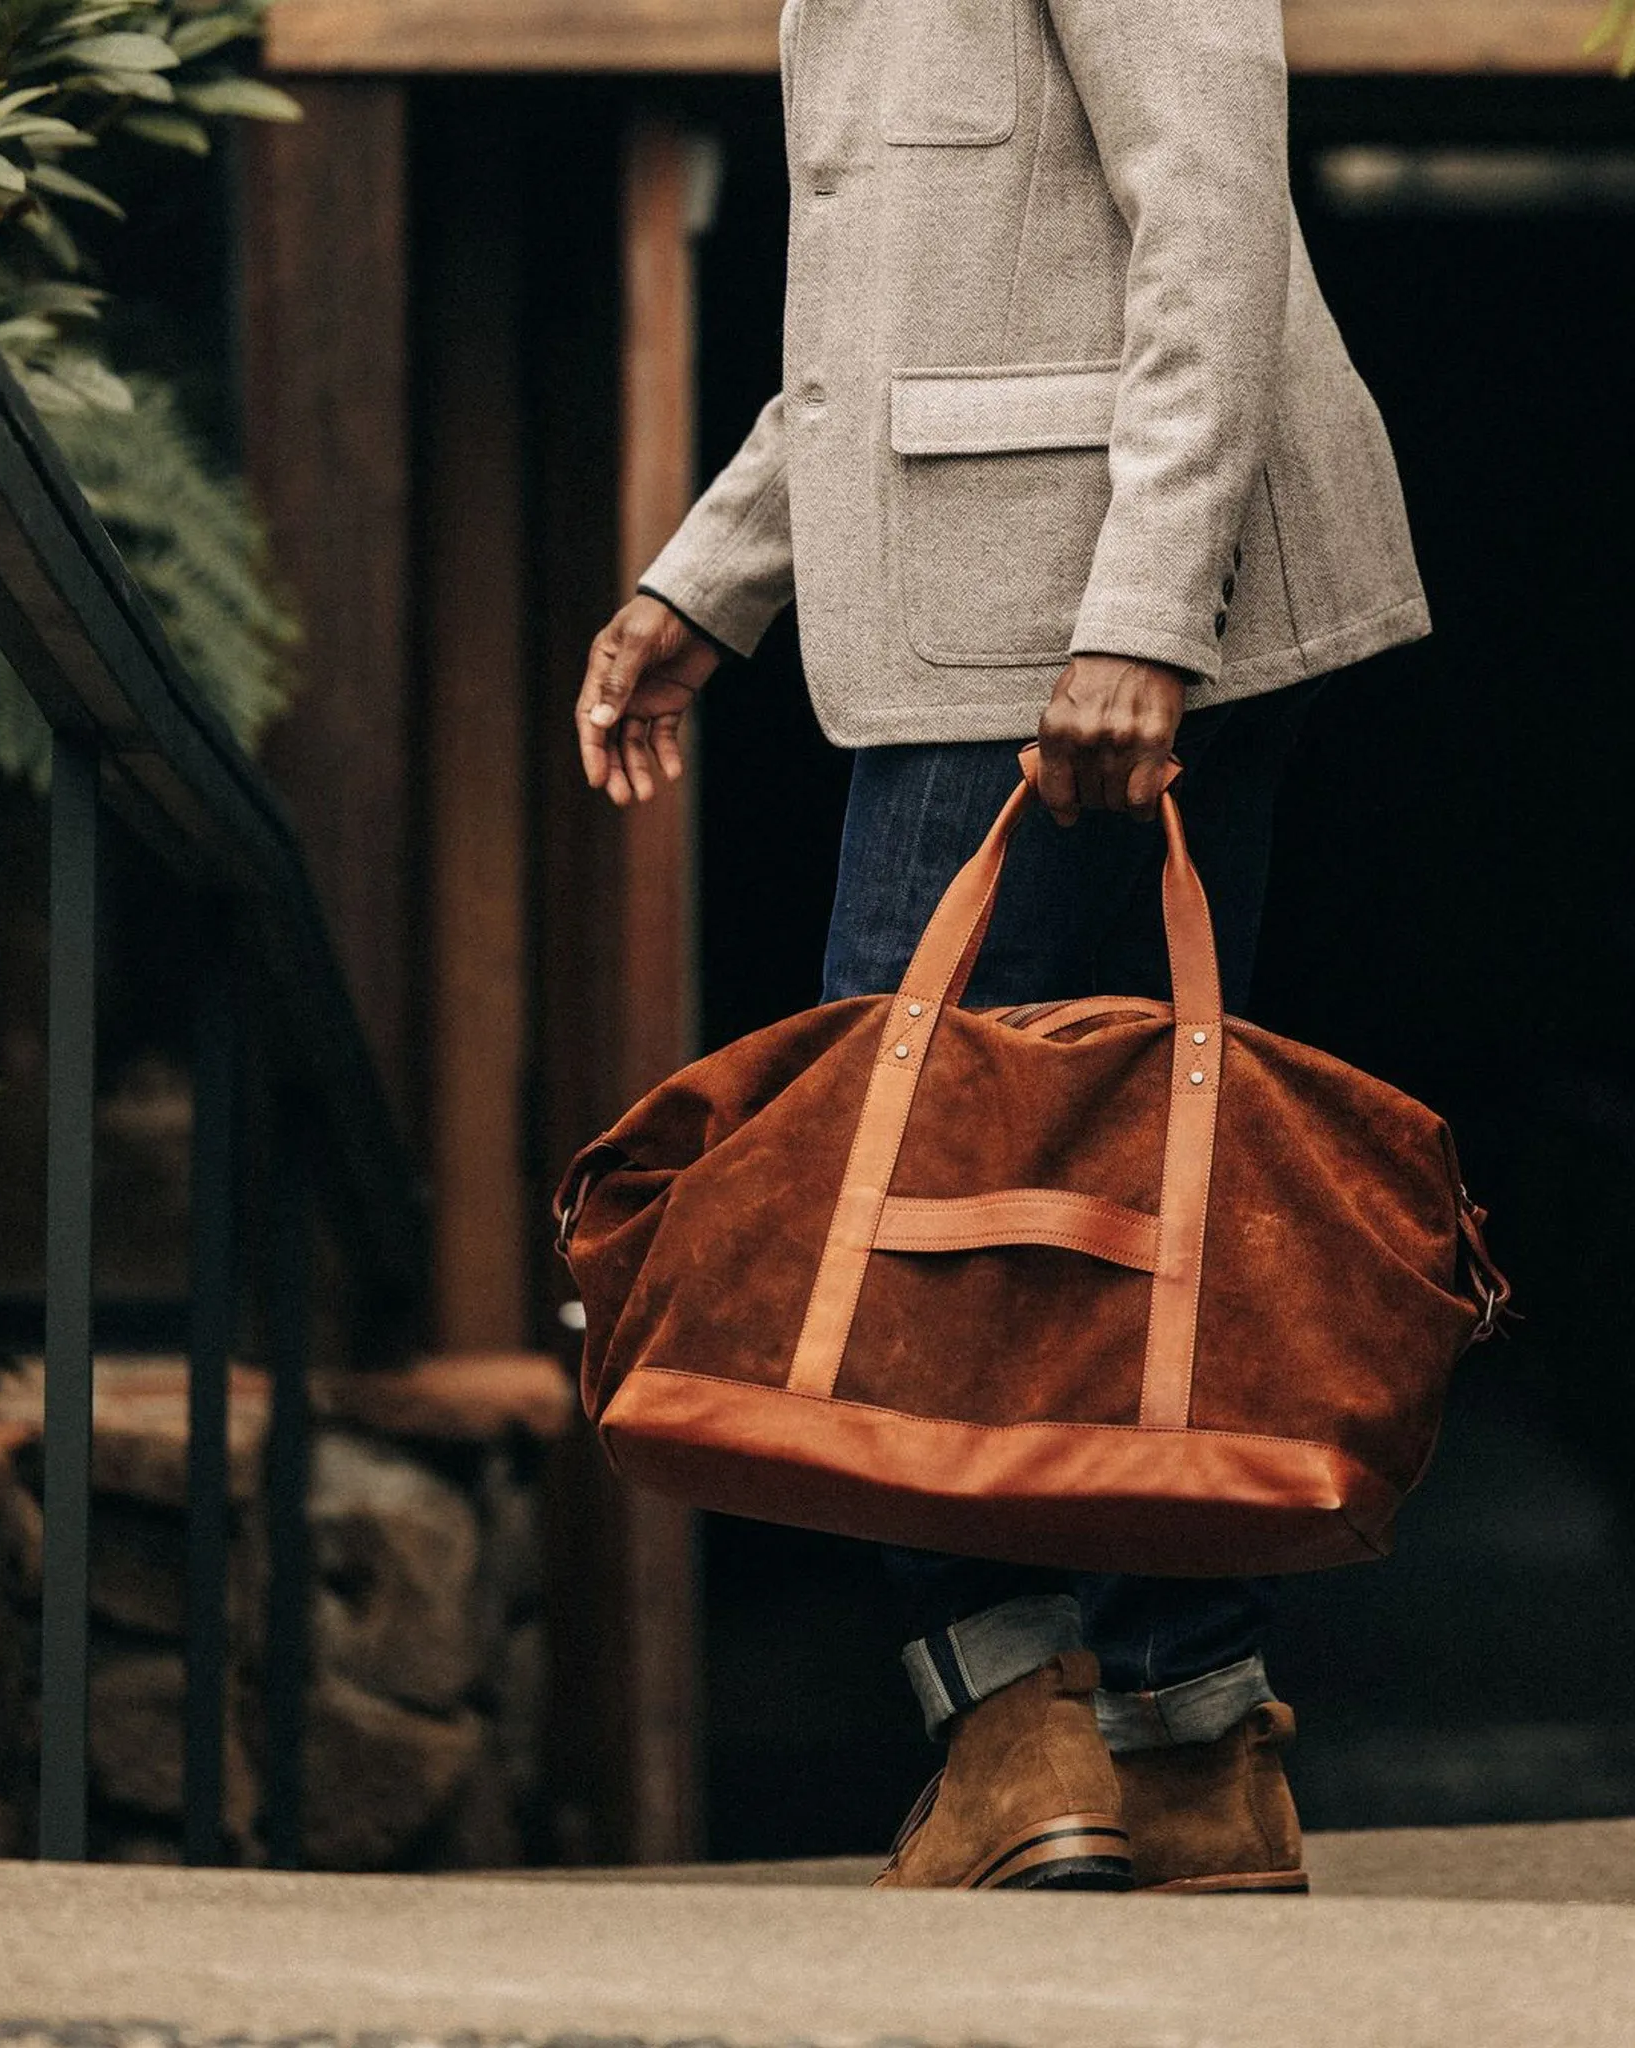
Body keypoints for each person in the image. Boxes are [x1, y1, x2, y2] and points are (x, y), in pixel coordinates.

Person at [573, 0, 1428, 1893]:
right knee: (1091, 1189)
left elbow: (1213, 205)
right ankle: (1190, 1743)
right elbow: (885, 321)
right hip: (1015, 604)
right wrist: (705, 583)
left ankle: (1014, 1727)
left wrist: (1138, 614)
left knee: (912, 1206)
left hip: (1069, 614)